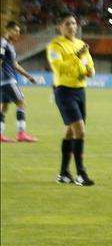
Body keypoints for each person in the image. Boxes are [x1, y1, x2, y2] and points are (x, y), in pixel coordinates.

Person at [47, 13, 95, 185]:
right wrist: (76, 56)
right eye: (67, 24)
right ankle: (81, 174)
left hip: (80, 90)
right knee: (80, 131)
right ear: (60, 27)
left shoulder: (81, 44)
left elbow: (89, 64)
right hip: (64, 91)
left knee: (70, 131)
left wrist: (90, 70)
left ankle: (63, 174)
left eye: (73, 23)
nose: (71, 26)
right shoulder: (55, 45)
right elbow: (59, 68)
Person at [0, 21, 39, 143]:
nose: (18, 33)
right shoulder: (3, 43)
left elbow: (15, 64)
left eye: (19, 31)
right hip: (7, 79)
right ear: (8, 30)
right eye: (16, 30)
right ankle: (21, 134)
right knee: (21, 103)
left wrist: (28, 76)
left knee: (4, 107)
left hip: (5, 80)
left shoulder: (10, 45)